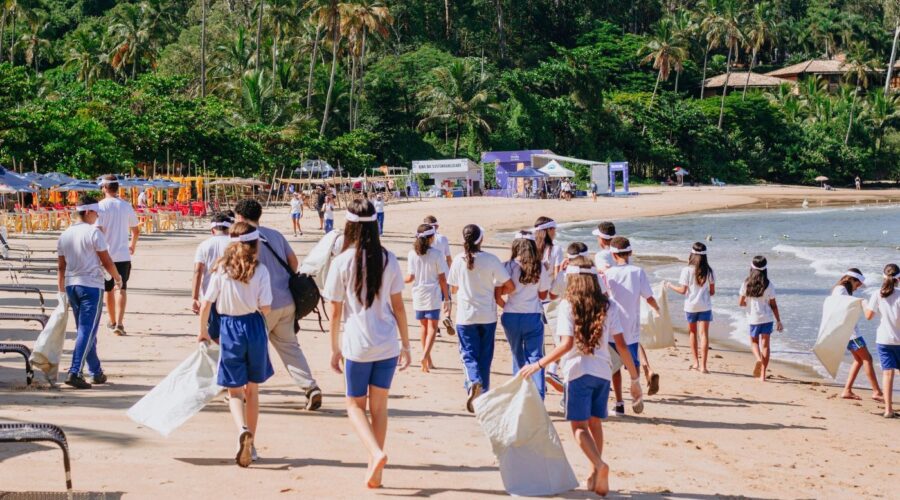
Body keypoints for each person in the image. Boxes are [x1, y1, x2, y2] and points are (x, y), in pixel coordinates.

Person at [518, 257, 640, 496]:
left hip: (577, 372)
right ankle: (596, 472)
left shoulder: (568, 305)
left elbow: (566, 345)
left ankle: (600, 466)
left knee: (578, 427)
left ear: (572, 280)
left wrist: (538, 365)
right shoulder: (609, 305)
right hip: (603, 373)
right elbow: (623, 346)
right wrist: (635, 379)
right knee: (595, 422)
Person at [324, 199, 412, 487]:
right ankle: (377, 470)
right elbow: (399, 306)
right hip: (387, 343)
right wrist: (407, 346)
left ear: (349, 227)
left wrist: (334, 348)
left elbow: (335, 310)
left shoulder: (341, 262)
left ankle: (375, 454)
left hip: (357, 344)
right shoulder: (389, 258)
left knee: (353, 404)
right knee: (379, 407)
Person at [233, 199, 323, 410]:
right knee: (290, 348)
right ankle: (310, 387)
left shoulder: (243, 238)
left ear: (241, 217)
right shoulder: (274, 234)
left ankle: (240, 391)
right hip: (287, 300)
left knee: (247, 347)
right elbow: (293, 262)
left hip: (261, 305)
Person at [198, 222, 274, 467]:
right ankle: (251, 446)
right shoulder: (260, 270)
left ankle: (242, 429)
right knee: (253, 390)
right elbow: (266, 306)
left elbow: (206, 303)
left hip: (229, 327)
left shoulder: (221, 269)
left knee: (234, 391)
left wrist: (202, 333)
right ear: (254, 245)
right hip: (254, 326)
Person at [57, 195, 123, 389]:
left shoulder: (65, 234)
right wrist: (118, 278)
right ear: (87, 212)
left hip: (71, 284)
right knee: (87, 330)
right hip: (91, 285)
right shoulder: (93, 233)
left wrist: (61, 289)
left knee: (85, 330)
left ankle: (95, 371)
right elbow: (106, 260)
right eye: (96, 213)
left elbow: (61, 266)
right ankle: (75, 371)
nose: (97, 217)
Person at [447, 224, 514, 412]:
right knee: (485, 356)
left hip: (466, 315)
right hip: (487, 315)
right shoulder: (491, 259)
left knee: (468, 353)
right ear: (481, 240)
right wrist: (494, 289)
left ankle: (473, 382)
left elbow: (453, 288)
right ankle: (483, 394)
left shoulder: (458, 261)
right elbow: (509, 284)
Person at [604, 236, 660, 415]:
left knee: (614, 368)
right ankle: (636, 389)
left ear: (613, 254)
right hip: (631, 328)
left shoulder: (608, 274)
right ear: (630, 253)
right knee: (632, 364)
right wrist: (658, 309)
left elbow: (604, 296)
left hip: (612, 327)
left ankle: (619, 403)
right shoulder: (638, 271)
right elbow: (648, 296)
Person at [497, 231, 553, 398]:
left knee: (517, 355)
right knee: (535, 357)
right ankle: (538, 398)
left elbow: (497, 295)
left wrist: (508, 306)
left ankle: (520, 397)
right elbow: (543, 295)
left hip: (511, 316)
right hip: (532, 315)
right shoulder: (540, 267)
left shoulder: (506, 266)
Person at [96, 174, 140, 336]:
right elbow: (136, 230)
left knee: (108, 290)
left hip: (105, 255)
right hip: (123, 254)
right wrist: (132, 245)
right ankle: (120, 323)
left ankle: (112, 320)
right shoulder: (126, 206)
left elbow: (97, 231)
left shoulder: (100, 206)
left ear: (105, 188)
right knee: (121, 287)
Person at [405, 224, 450, 372]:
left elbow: (410, 277)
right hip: (433, 294)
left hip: (418, 294)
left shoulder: (412, 254)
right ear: (431, 238)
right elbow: (442, 278)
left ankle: (428, 360)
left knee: (423, 327)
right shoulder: (437, 254)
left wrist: (397, 280)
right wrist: (447, 298)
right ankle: (425, 356)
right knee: (433, 327)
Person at [834, 269, 883, 402]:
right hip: (851, 333)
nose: (859, 286)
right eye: (858, 283)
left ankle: (847, 390)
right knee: (867, 359)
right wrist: (860, 302)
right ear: (851, 279)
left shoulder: (843, 290)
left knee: (859, 360)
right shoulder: (840, 289)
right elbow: (839, 307)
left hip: (849, 331)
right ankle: (876, 391)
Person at [666, 242, 715, 373]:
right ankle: (704, 366)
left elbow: (682, 291)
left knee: (692, 333)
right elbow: (712, 292)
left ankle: (695, 363)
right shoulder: (709, 271)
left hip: (691, 306)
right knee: (704, 335)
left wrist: (670, 285)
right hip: (705, 306)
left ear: (692, 254)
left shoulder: (686, 270)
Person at [863, 264, 900, 418]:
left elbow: (869, 316)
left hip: (883, 339)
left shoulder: (877, 294)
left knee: (887, 374)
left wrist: (863, 304)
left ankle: (888, 409)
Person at [739, 256, 784, 382]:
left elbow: (741, 302)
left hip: (753, 319)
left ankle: (758, 359)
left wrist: (747, 303)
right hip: (767, 319)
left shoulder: (746, 283)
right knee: (766, 346)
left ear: (751, 267)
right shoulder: (769, 285)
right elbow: (773, 305)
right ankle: (763, 375)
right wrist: (779, 321)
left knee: (754, 342)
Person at [191, 213, 234, 315]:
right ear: (229, 229)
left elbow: (197, 272)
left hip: (209, 294)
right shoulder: (235, 244)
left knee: (212, 329)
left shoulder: (203, 245)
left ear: (212, 230)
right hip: (231, 293)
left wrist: (195, 298)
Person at [424, 215, 454, 335]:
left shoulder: (422, 240)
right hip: (444, 272)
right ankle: (447, 316)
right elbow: (448, 258)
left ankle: (435, 327)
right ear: (437, 226)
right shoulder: (443, 238)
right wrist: (452, 273)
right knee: (447, 297)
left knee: (432, 300)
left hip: (430, 274)